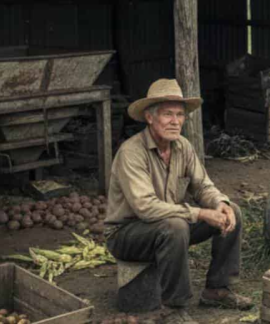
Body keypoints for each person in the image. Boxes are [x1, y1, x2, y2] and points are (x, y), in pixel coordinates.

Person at [104, 79, 252, 311]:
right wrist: (201, 213)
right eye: (167, 115)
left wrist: (220, 203)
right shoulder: (131, 153)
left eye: (180, 115)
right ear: (150, 117)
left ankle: (217, 290)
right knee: (175, 226)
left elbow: (202, 186)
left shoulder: (183, 146)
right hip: (127, 234)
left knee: (234, 212)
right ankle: (174, 309)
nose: (175, 122)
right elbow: (146, 208)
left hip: (169, 225)